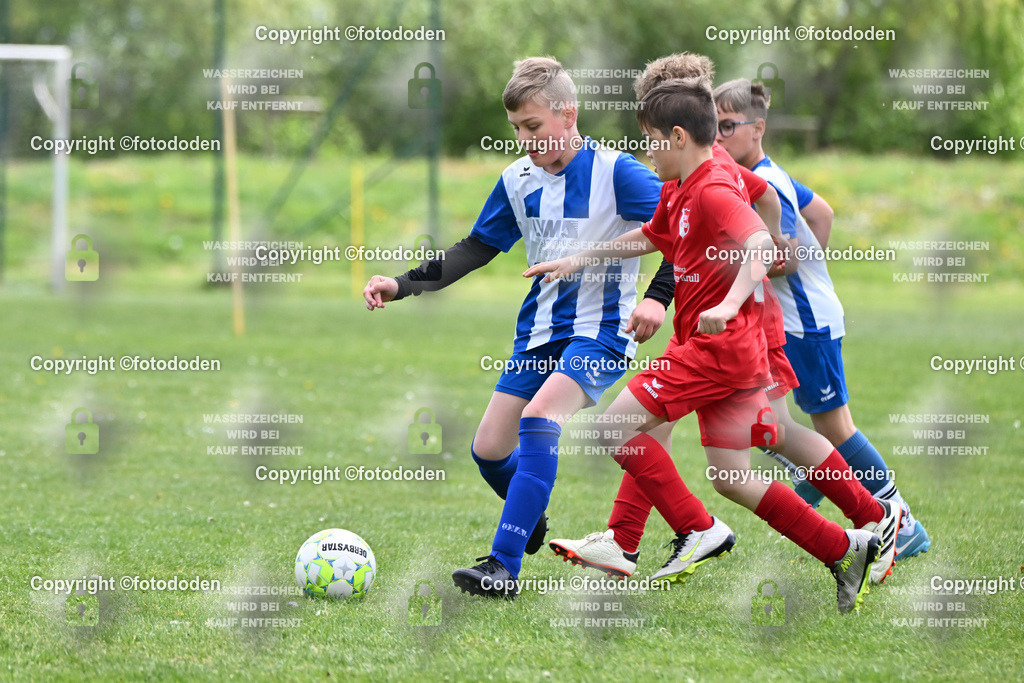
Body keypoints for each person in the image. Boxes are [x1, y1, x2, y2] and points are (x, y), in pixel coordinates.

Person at [526, 77, 882, 613]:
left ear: (675, 136)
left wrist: (731, 301)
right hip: (721, 350)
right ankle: (845, 548)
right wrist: (578, 259)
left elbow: (760, 243)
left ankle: (698, 530)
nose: (645, 152)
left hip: (718, 348)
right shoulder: (680, 186)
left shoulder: (713, 187)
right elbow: (652, 235)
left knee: (614, 426)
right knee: (733, 477)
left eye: (649, 139)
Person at [364, 56, 683, 598]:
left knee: (539, 421)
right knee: (488, 450)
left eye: (534, 127)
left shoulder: (616, 172)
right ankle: (526, 509)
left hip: (602, 332)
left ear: (569, 115)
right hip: (536, 334)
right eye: (516, 130)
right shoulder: (517, 179)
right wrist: (403, 284)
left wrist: (657, 298)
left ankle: (503, 566)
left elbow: (684, 226)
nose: (526, 140)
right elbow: (475, 248)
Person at [712, 77, 930, 560]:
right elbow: (824, 213)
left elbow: (782, 258)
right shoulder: (767, 173)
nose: (718, 137)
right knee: (764, 421)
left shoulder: (764, 184)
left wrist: (770, 265)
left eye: (727, 126)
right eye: (714, 127)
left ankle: (900, 519)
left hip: (804, 325)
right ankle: (815, 475)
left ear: (758, 128)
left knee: (835, 428)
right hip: (789, 322)